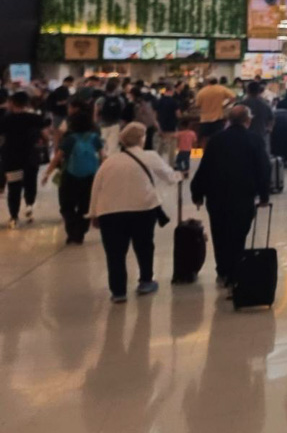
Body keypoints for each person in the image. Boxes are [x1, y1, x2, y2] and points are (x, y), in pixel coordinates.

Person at [88, 122, 178, 303]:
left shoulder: (110, 161)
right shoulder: (150, 156)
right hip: (142, 209)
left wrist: (93, 214)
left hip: (110, 212)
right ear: (141, 139)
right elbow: (170, 177)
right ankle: (145, 281)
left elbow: (96, 187)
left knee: (115, 253)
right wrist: (180, 175)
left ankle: (118, 291)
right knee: (144, 246)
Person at [190, 105, 271, 291]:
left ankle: (223, 270)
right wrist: (264, 195)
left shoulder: (216, 140)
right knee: (238, 234)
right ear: (247, 121)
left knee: (219, 233)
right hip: (243, 195)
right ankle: (235, 270)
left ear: (228, 120)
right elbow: (263, 168)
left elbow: (205, 168)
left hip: (216, 196)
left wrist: (197, 193)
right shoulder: (255, 139)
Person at [41, 96, 103, 243]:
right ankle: (80, 232)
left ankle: (72, 232)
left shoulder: (70, 139)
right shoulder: (94, 137)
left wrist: (47, 173)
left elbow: (57, 158)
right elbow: (103, 156)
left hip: (70, 175)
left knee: (67, 207)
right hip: (90, 176)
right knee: (85, 206)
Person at [1, 91, 49, 228]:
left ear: (12, 103)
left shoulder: (5, 120)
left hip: (11, 158)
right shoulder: (35, 118)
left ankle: (14, 217)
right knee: (30, 182)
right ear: (27, 103)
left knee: (14, 187)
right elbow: (45, 136)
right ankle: (29, 205)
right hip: (31, 157)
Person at [194, 77, 235, 147]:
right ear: (217, 82)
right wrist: (224, 106)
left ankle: (205, 153)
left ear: (207, 83)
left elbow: (197, 105)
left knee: (204, 138)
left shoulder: (202, 91)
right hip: (218, 118)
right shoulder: (221, 89)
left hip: (205, 119)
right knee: (218, 138)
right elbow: (233, 97)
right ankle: (217, 154)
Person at [239, 81, 275, 146]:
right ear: (259, 91)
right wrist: (269, 129)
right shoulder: (266, 104)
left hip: (244, 136)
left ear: (248, 90)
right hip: (261, 135)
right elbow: (271, 119)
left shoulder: (242, 104)